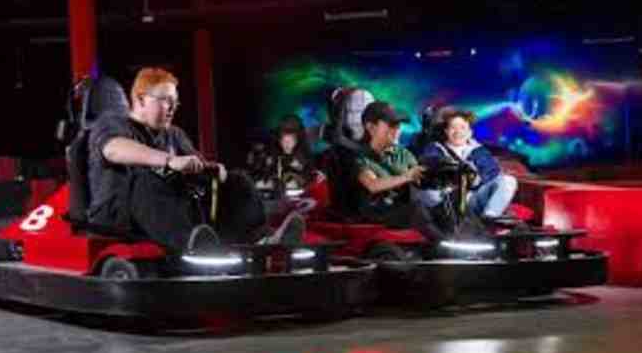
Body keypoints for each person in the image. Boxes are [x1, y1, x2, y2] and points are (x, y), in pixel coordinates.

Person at [87, 67, 304, 255]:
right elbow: (113, 149)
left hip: (169, 212)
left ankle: (261, 239)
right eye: (166, 101)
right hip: (119, 214)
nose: (172, 108)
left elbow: (196, 166)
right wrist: (169, 160)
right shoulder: (112, 124)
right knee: (146, 180)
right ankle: (195, 247)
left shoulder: (174, 134)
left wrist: (212, 170)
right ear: (141, 99)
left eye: (175, 102)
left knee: (237, 180)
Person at [353, 100, 447, 242]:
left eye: (398, 125)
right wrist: (406, 176)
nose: (397, 130)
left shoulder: (402, 154)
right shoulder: (360, 157)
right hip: (375, 211)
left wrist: (438, 175)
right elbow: (372, 184)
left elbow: (418, 175)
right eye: (391, 125)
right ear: (371, 127)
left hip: (402, 208)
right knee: (416, 209)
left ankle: (466, 239)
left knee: (443, 204)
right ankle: (443, 244)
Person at [420, 107, 517, 220]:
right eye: (453, 128)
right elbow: (430, 166)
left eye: (462, 128)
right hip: (448, 201)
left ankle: (490, 217)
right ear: (446, 131)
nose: (458, 132)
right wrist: (453, 169)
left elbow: (492, 174)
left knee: (508, 180)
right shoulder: (434, 149)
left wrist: (475, 178)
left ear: (470, 133)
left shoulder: (479, 151)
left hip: (472, 199)